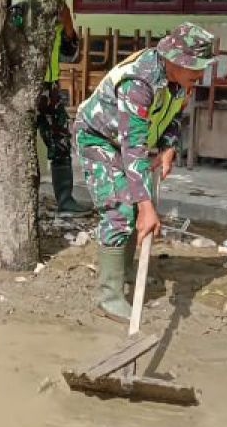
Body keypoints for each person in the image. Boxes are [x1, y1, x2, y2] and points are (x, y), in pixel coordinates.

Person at [72, 22, 215, 323]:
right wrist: (146, 208)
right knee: (119, 209)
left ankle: (124, 274)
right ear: (174, 60)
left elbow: (174, 116)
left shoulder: (180, 81)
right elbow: (132, 147)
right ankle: (109, 297)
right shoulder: (139, 82)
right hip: (99, 138)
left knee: (132, 209)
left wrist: (168, 148)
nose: (200, 75)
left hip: (128, 142)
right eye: (195, 68)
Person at [10, 1, 90, 216]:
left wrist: (67, 21)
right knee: (23, 149)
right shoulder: (19, 12)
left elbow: (70, 55)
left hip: (51, 90)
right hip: (24, 90)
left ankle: (65, 200)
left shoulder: (59, 14)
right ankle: (21, 206)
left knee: (61, 142)